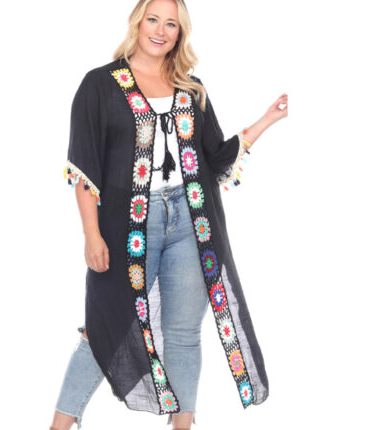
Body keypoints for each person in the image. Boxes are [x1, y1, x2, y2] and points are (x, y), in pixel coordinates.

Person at [51, 0, 288, 429]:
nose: (160, 31)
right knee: (105, 327)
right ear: (138, 23)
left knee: (183, 334)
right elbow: (85, 168)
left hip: (192, 220)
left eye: (171, 24)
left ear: (180, 33)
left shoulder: (190, 89)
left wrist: (266, 120)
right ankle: (60, 425)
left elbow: (215, 158)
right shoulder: (100, 84)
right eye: (153, 20)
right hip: (126, 226)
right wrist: (91, 235)